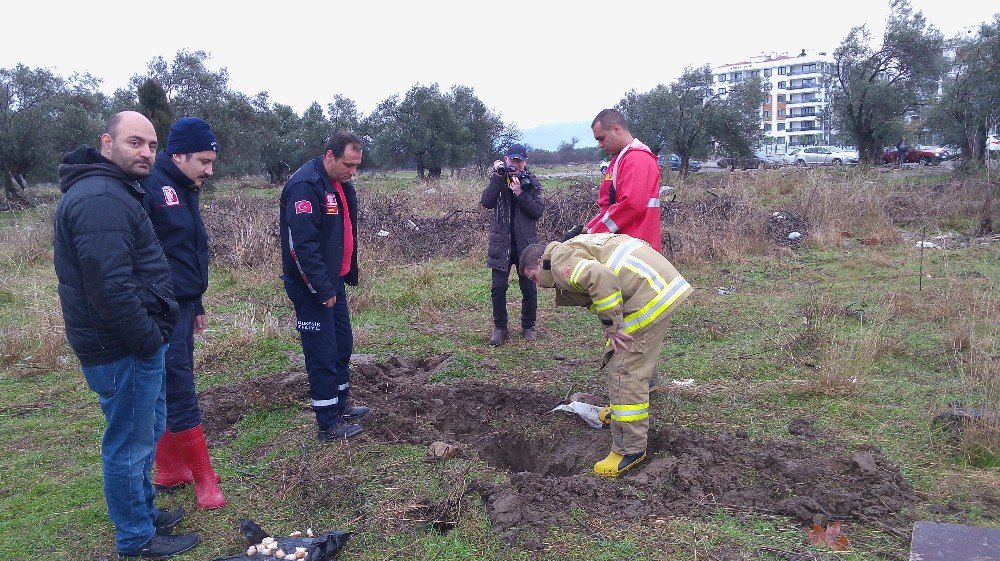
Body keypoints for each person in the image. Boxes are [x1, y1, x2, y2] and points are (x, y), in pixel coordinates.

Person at [54, 111, 199, 558]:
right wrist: (149, 337)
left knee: (146, 430)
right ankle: (136, 537)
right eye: (135, 143)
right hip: (122, 346)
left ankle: (143, 511)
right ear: (107, 142)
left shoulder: (114, 190)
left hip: (132, 342)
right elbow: (110, 286)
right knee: (129, 443)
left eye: (152, 145)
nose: (146, 153)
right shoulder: (101, 198)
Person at [520, 233, 692, 477]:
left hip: (648, 294)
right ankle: (640, 394)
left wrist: (613, 326)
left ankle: (629, 449)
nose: (538, 283)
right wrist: (614, 324)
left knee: (623, 368)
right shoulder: (567, 248)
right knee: (633, 350)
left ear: (539, 263)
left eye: (534, 277)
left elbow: (601, 277)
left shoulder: (559, 264)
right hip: (657, 283)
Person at [140, 117, 225, 510]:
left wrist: (197, 302)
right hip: (162, 308)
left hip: (185, 304)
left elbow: (188, 249)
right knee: (178, 385)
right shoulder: (151, 188)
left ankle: (170, 467)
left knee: (171, 381)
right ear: (179, 155)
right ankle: (205, 479)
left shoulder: (186, 186)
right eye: (204, 161)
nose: (210, 170)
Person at [280, 131, 370, 442]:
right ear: (329, 156)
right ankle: (327, 422)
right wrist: (321, 288)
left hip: (334, 282)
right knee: (322, 352)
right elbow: (301, 246)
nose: (353, 171)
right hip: (312, 287)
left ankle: (340, 404)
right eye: (348, 164)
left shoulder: (339, 184)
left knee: (343, 344)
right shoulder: (306, 186)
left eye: (357, 165)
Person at [480, 143, 545, 346]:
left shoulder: (531, 182)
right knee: (498, 288)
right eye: (512, 160)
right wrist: (497, 177)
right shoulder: (499, 180)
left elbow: (537, 212)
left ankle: (529, 327)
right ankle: (500, 328)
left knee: (529, 288)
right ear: (506, 160)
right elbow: (486, 202)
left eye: (519, 160)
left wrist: (520, 193)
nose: (515, 164)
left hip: (526, 245)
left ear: (525, 162)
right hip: (502, 244)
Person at [585, 109, 662, 252]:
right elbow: (608, 207)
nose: (600, 145)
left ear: (616, 129)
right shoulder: (619, 160)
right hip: (624, 248)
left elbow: (631, 205)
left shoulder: (637, 159)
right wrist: (588, 228)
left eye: (601, 138)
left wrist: (593, 234)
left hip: (638, 249)